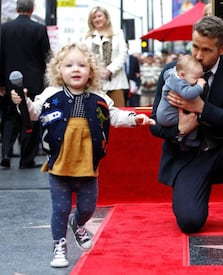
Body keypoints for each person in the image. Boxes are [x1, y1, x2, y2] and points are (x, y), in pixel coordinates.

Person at [11, 43, 155, 268]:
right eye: (68, 65)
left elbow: (114, 115)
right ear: (59, 70)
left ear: (91, 70)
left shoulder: (98, 96)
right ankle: (59, 245)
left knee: (87, 207)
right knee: (60, 208)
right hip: (59, 163)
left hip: (88, 164)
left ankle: (77, 224)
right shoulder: (51, 94)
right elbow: (33, 113)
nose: (75, 69)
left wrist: (134, 118)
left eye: (81, 65)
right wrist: (24, 101)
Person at [149, 16, 223, 234]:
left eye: (206, 50)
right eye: (194, 47)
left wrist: (202, 109)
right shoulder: (173, 72)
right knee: (190, 223)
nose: (198, 56)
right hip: (187, 157)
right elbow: (154, 123)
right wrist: (179, 130)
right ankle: (194, 192)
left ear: (222, 49)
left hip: (222, 152)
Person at [0, 0, 51, 169]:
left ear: (17, 9)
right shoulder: (39, 29)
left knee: (9, 118)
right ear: (32, 9)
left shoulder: (4, 29)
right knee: (29, 119)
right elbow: (47, 58)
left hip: (9, 82)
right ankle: (26, 159)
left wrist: (1, 83)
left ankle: (6, 154)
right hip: (34, 82)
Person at [156, 54, 206, 150]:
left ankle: (185, 141)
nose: (198, 80)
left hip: (164, 113)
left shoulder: (173, 74)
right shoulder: (179, 82)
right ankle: (190, 142)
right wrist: (200, 86)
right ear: (182, 75)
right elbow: (188, 94)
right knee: (193, 119)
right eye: (195, 78)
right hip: (168, 116)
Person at [84, 6, 129, 107]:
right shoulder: (87, 37)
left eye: (99, 16)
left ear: (106, 17)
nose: (97, 19)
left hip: (116, 81)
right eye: (94, 17)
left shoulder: (117, 33)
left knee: (119, 112)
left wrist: (109, 70)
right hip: (95, 82)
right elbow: (86, 57)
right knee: (97, 114)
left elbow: (123, 54)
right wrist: (97, 71)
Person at [124, 41, 141, 107]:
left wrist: (137, 85)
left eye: (126, 46)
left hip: (132, 87)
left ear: (128, 47)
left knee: (134, 106)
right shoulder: (116, 60)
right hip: (121, 87)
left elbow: (138, 74)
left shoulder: (134, 59)